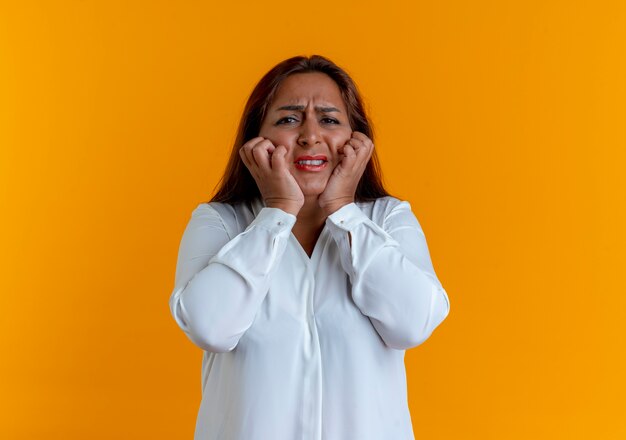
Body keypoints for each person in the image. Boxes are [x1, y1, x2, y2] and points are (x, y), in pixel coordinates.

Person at [168, 54, 451, 440]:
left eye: (330, 119)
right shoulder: (220, 222)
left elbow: (412, 323)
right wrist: (277, 212)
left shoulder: (388, 219)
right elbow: (211, 328)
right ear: (256, 138)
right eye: (288, 119)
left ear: (357, 139)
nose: (310, 136)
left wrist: (344, 212)